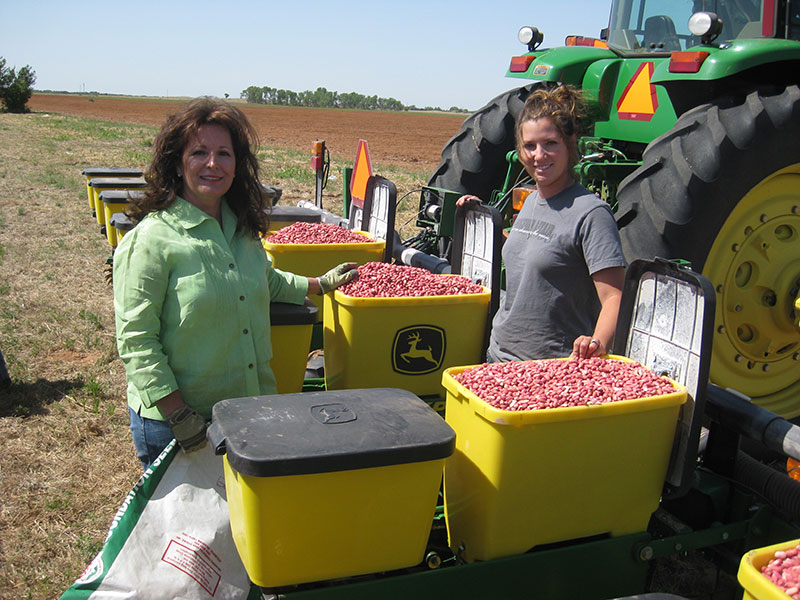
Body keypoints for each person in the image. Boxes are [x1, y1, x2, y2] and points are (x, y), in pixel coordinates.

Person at [113, 97, 357, 470]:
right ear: (177, 163)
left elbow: (263, 281)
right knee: (187, 527)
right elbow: (136, 340)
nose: (213, 164)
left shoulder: (240, 230)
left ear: (237, 164)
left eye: (224, 153)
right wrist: (179, 415)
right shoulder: (151, 240)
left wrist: (320, 284)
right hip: (181, 422)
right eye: (199, 152)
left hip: (248, 409)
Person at [458, 85, 626, 362]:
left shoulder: (591, 213)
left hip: (548, 368)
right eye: (530, 146)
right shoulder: (531, 202)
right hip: (497, 356)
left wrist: (597, 344)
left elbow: (614, 297)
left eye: (550, 143)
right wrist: (482, 220)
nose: (539, 155)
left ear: (569, 145)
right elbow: (531, 252)